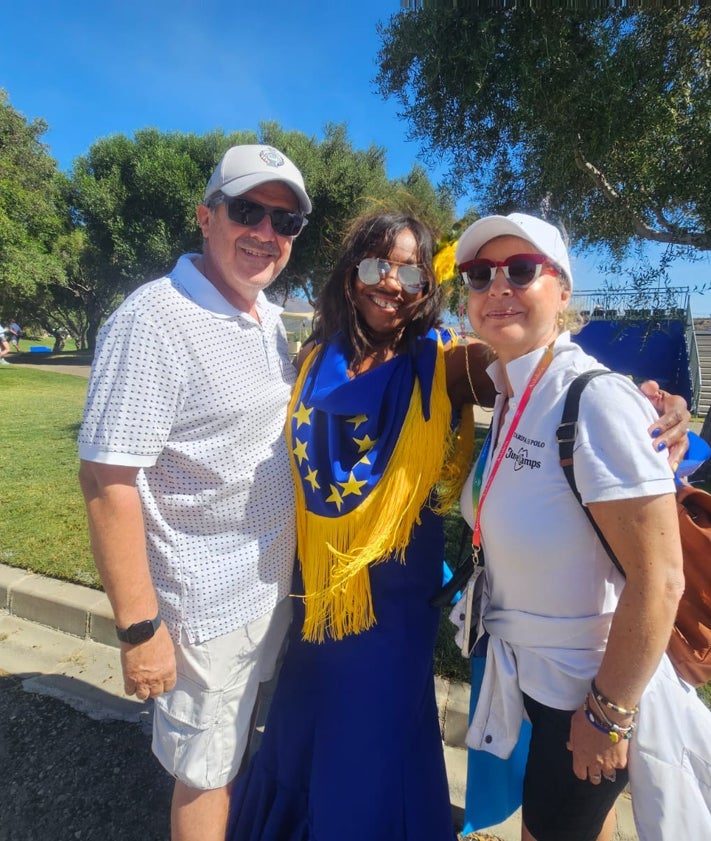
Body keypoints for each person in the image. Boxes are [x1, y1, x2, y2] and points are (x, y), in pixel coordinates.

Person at [226, 210, 690, 841]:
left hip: (392, 605)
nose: (389, 282)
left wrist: (654, 404)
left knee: (373, 742)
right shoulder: (311, 361)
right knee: (303, 724)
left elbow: (543, 370)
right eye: (373, 265)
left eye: (409, 269)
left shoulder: (442, 362)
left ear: (427, 285)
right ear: (347, 276)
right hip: (318, 594)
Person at [78, 144, 311, 841]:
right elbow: (105, 478)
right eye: (248, 211)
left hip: (267, 588)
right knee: (204, 772)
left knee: (229, 749)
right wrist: (141, 628)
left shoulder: (266, 315)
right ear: (205, 216)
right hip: (204, 606)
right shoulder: (155, 319)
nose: (266, 233)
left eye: (285, 220)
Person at [454, 212, 711, 841]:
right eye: (481, 274)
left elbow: (661, 579)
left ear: (563, 291)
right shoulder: (512, 384)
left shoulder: (592, 399)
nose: (498, 287)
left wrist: (609, 715)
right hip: (536, 676)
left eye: (521, 270)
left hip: (588, 686)